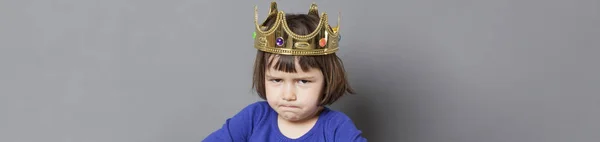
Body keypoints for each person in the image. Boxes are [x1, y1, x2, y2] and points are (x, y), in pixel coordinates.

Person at [203, 2, 367, 142]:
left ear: (327, 80)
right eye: (276, 80)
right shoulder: (254, 117)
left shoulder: (336, 128)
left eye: (303, 81)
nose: (288, 95)